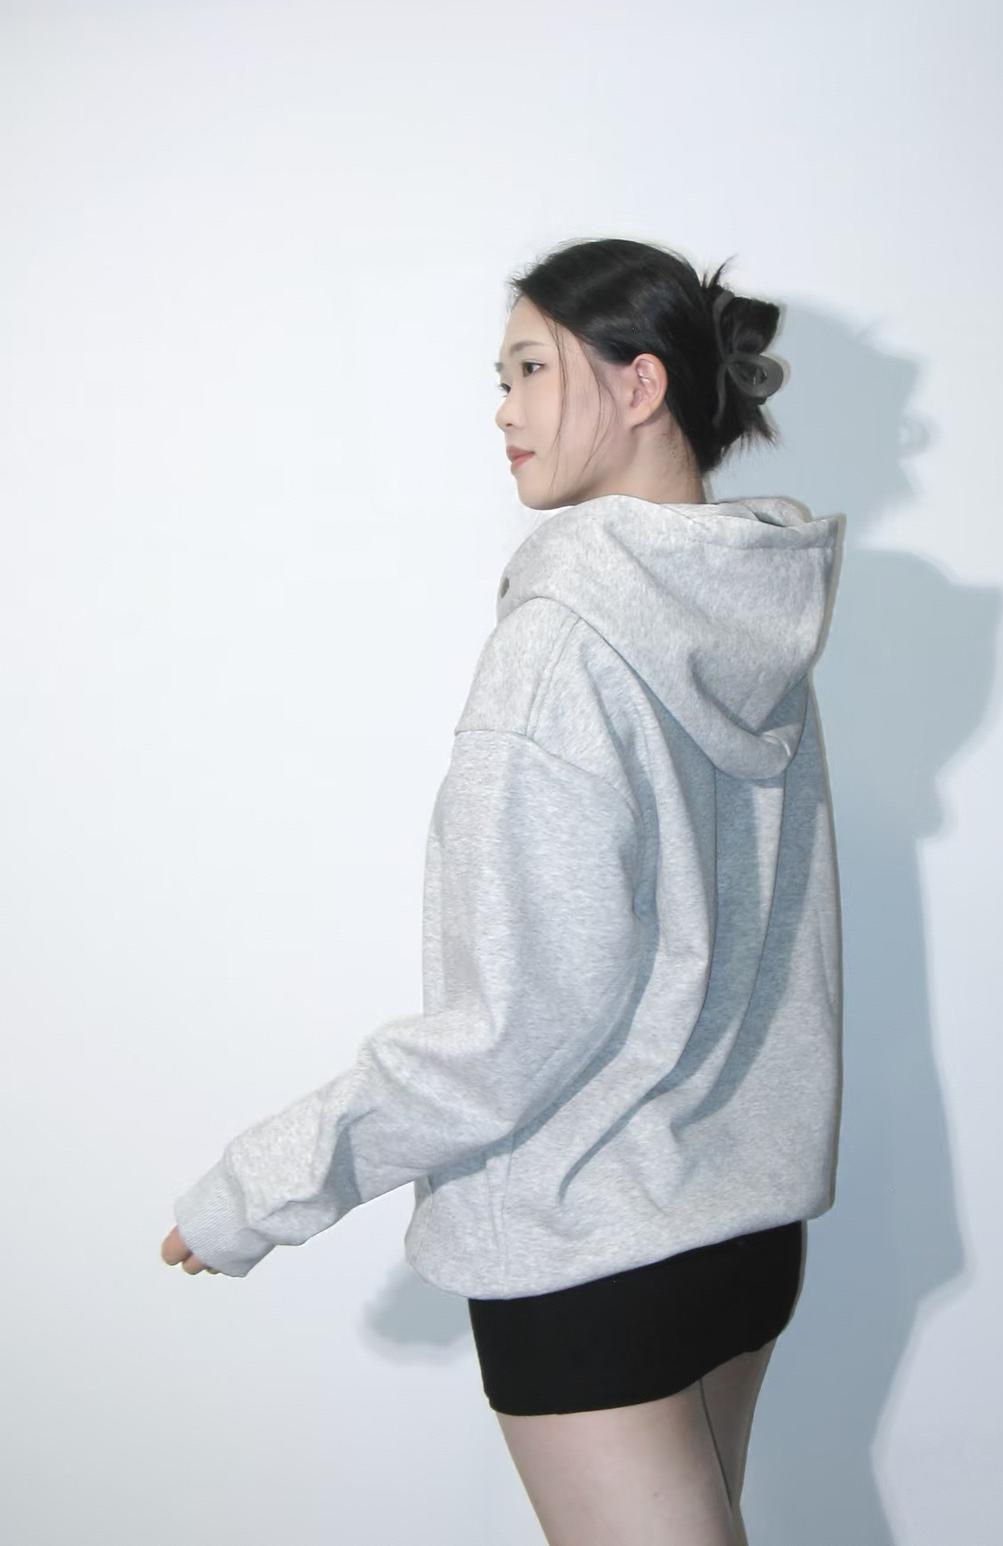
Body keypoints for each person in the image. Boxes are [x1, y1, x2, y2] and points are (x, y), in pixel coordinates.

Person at [160, 236, 844, 1546]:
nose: (504, 409)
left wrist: (262, 1185)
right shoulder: (747, 621)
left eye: (531, 369)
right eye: (503, 377)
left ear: (639, 386)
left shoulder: (560, 651)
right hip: (740, 1231)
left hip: (593, 1245)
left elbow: (515, 1024)